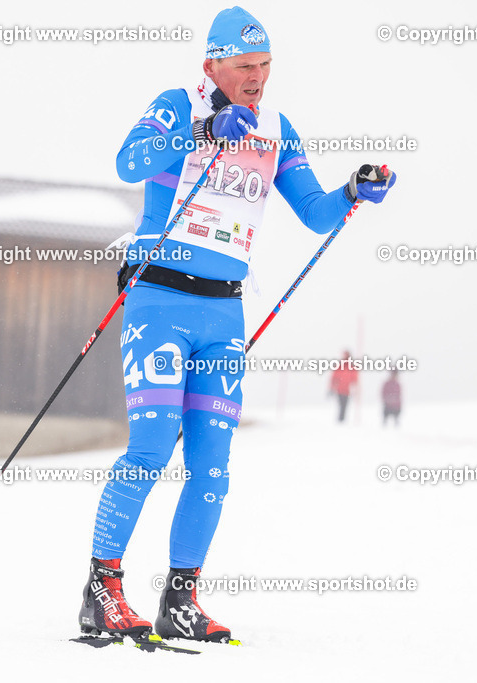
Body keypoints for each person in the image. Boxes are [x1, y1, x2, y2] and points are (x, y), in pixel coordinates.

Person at [79, 6, 397, 643]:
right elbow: (128, 162)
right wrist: (201, 127)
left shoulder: (276, 128)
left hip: (223, 310)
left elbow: (314, 211)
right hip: (159, 300)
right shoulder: (177, 103)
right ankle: (102, 589)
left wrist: (355, 191)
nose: (257, 79)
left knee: (213, 464)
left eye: (266, 67)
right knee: (149, 448)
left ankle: (181, 597)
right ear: (213, 66)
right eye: (246, 67)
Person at [329, 351, 359, 422]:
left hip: (347, 390)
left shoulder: (351, 366)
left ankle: (342, 419)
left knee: (344, 406)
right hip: (340, 390)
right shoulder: (340, 366)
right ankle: (341, 419)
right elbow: (334, 377)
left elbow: (354, 379)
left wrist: (355, 388)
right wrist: (331, 387)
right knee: (342, 405)